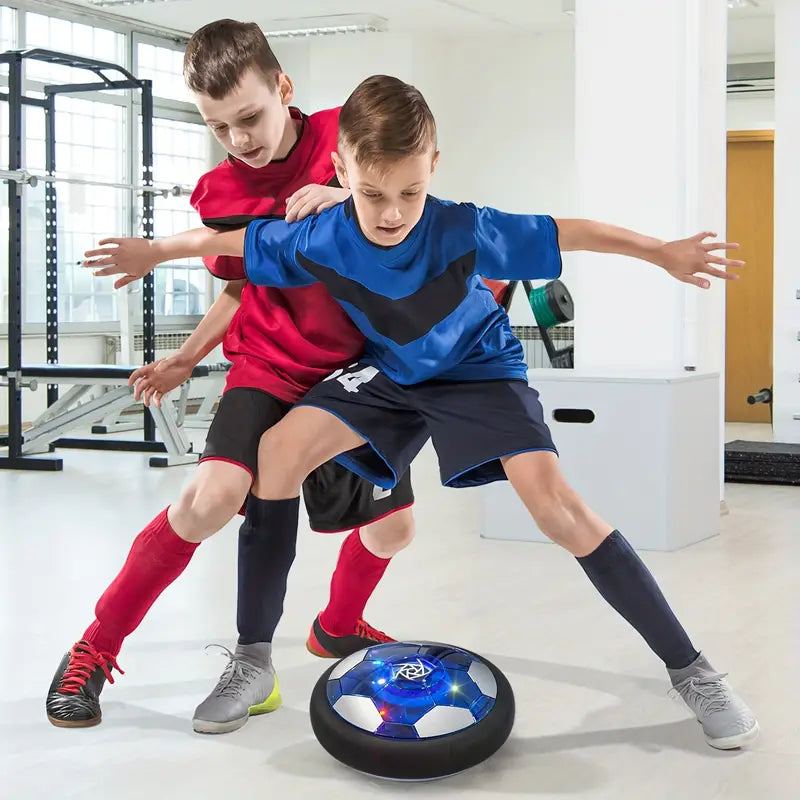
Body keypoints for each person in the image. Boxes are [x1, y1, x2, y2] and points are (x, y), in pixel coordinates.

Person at [89, 74, 759, 751]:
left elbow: (572, 230)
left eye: (410, 191)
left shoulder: (463, 226)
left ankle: (694, 671)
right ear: (341, 168)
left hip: (476, 370)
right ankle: (253, 660)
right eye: (373, 193)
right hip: (390, 373)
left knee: (555, 507)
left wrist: (662, 253)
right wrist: (154, 252)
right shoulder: (320, 236)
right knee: (277, 453)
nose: (391, 212)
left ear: (432, 167)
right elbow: (231, 243)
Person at [45, 22, 417, 736]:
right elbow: (240, 288)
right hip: (270, 365)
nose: (239, 140)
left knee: (395, 528)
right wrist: (187, 357)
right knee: (210, 498)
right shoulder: (218, 190)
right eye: (218, 127)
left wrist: (350, 196)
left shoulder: (348, 135)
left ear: (285, 88)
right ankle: (95, 646)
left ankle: (337, 627)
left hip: (353, 373)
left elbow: (411, 198)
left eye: (249, 118)